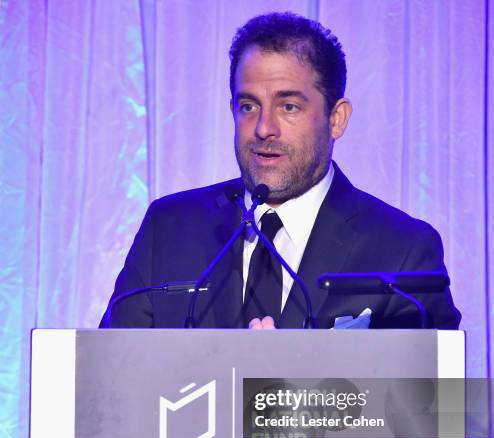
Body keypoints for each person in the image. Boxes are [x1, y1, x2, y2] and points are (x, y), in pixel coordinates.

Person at [101, 12, 461, 331]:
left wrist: (291, 387)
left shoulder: (402, 249)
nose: (264, 128)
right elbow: (111, 378)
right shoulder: (170, 227)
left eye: (288, 106)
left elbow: (432, 403)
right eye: (248, 106)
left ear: (336, 119)